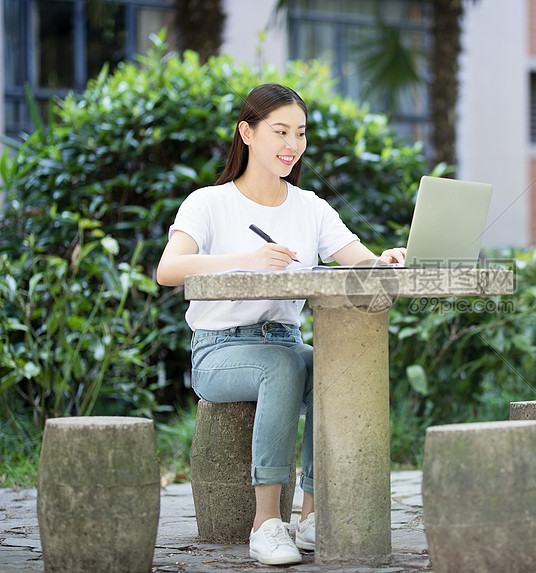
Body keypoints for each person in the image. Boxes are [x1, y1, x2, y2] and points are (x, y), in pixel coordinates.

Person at [156, 83, 405, 566]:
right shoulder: (208, 203)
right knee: (284, 368)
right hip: (219, 351)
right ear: (247, 133)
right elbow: (168, 269)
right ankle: (266, 523)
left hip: (287, 341)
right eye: (280, 131)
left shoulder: (309, 206)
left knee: (334, 367)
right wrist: (248, 258)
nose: (292, 145)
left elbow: (358, 261)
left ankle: (311, 517)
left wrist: (386, 259)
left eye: (301, 133)